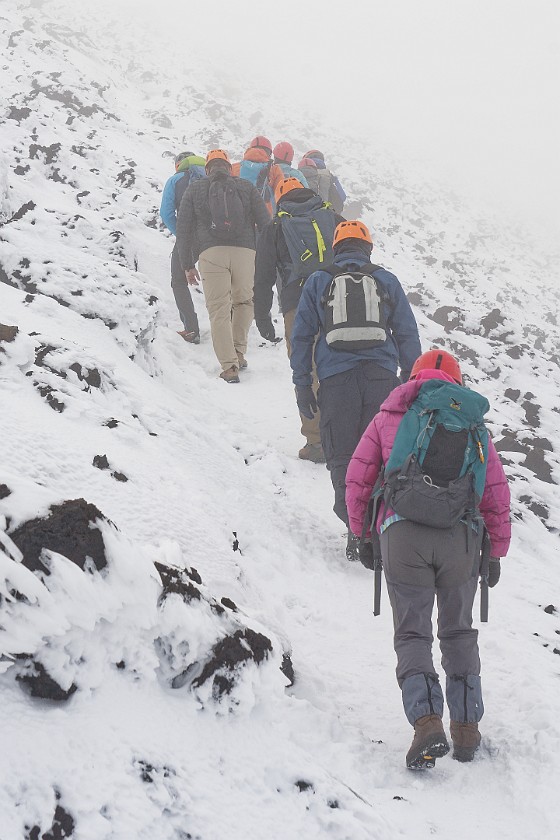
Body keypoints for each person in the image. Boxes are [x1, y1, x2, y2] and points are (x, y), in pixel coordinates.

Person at [345, 349, 511, 769]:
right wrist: (495, 552)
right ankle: (467, 727)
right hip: (460, 538)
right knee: (458, 631)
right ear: (457, 382)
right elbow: (495, 493)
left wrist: (362, 532)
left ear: (412, 376)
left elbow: (359, 475)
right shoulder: (473, 424)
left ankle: (426, 722)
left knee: (413, 633)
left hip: (402, 536)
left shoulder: (389, 415)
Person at [289, 220, 421, 550]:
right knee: (380, 455)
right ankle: (380, 528)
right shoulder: (386, 280)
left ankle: (354, 527)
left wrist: (302, 383)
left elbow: (302, 336)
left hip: (336, 381)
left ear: (336, 247)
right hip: (381, 378)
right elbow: (406, 333)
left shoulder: (319, 280)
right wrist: (411, 382)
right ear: (368, 247)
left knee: (343, 456)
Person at [254, 177, 343, 462]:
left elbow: (263, 276)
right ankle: (347, 436)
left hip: (297, 301)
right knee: (343, 364)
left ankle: (317, 443)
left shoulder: (276, 226)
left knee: (308, 370)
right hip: (337, 298)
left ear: (280, 198)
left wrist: (262, 316)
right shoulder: (332, 216)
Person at [176, 149, 270, 383]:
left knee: (218, 309)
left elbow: (183, 229)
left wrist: (187, 264)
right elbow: (266, 224)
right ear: (229, 167)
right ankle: (239, 352)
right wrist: (265, 257)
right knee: (244, 301)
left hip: (211, 253)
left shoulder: (196, 188)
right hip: (245, 252)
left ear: (207, 169)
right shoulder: (246, 187)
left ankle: (229, 367)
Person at [159, 151, 206, 342]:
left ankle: (191, 329)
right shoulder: (210, 177)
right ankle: (227, 326)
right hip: (215, 236)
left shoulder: (175, 180)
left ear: (179, 164)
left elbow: (167, 213)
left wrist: (182, 235)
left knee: (178, 281)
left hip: (189, 236)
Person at [232, 135, 275, 213]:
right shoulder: (274, 169)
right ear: (269, 153)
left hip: (238, 214)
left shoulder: (234, 167)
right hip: (265, 216)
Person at [302, 149, 346, 215]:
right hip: (329, 216)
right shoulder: (330, 176)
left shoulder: (301, 174)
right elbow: (342, 196)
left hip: (307, 215)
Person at [267, 142, 308, 210]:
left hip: (272, 214)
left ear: (275, 157)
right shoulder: (298, 174)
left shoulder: (269, 171)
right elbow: (307, 193)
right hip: (294, 214)